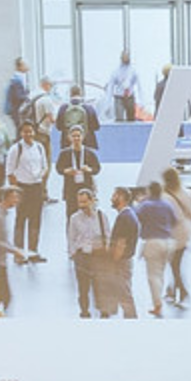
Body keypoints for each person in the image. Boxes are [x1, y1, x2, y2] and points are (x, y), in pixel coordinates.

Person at [5, 119, 49, 263]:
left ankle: (33, 252)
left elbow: (45, 166)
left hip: (36, 187)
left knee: (35, 220)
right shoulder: (15, 149)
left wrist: (40, 177)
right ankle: (18, 254)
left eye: (30, 131)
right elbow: (10, 172)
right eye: (25, 132)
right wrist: (15, 192)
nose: (28, 134)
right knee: (21, 220)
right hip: (22, 188)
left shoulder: (40, 147)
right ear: (21, 133)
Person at [136, 180, 179, 318]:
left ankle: (157, 303)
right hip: (167, 241)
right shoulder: (167, 204)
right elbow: (175, 221)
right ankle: (159, 299)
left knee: (153, 275)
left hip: (152, 241)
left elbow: (135, 217)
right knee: (160, 273)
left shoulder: (146, 205)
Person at [67, 188, 110, 319]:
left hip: (98, 256)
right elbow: (71, 238)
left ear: (92, 200)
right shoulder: (74, 218)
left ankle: (103, 310)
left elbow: (107, 236)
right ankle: (84, 311)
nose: (82, 205)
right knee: (83, 287)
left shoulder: (102, 217)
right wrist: (74, 254)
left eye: (85, 202)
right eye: (80, 202)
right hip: (82, 257)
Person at [162, 166, 191, 308]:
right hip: (184, 233)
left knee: (174, 265)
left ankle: (183, 292)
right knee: (175, 264)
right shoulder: (186, 193)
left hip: (172, 234)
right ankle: (171, 290)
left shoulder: (164, 196)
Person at [0, 186, 27, 313]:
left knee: (0, 296)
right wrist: (14, 251)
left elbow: (2, 240)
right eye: (14, 197)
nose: (17, 200)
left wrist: (14, 249)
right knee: (4, 296)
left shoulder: (2, 215)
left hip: (0, 261)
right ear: (7, 198)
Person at [56, 124, 101, 227]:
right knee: (71, 216)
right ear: (69, 137)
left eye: (78, 136)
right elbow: (58, 168)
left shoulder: (90, 153)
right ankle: (71, 240)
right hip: (71, 189)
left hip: (86, 188)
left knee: (88, 215)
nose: (76, 138)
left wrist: (89, 170)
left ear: (82, 137)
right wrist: (65, 171)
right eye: (74, 136)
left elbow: (97, 168)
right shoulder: (65, 153)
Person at [108, 186, 140, 319]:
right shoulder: (129, 215)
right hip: (126, 261)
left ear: (121, 197)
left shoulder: (124, 218)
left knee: (124, 295)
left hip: (121, 263)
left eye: (114, 195)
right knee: (125, 293)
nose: (111, 198)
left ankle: (131, 321)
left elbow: (121, 243)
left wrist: (112, 262)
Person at [56, 84, 101, 151]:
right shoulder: (89, 108)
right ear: (81, 93)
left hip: (68, 143)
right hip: (87, 142)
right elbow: (96, 127)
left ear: (70, 94)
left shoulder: (63, 108)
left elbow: (59, 127)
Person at [108, 50, 141, 121]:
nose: (126, 59)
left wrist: (141, 101)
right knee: (119, 118)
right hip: (119, 97)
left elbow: (139, 87)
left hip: (130, 97)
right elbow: (110, 86)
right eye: (124, 57)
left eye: (127, 57)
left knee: (131, 118)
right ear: (121, 58)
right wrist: (108, 101)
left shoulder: (133, 71)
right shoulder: (115, 72)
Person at [4, 57, 30, 138]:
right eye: (25, 64)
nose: (28, 66)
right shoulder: (17, 80)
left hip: (16, 109)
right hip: (16, 109)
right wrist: (28, 98)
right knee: (20, 128)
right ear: (20, 66)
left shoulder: (19, 78)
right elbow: (19, 96)